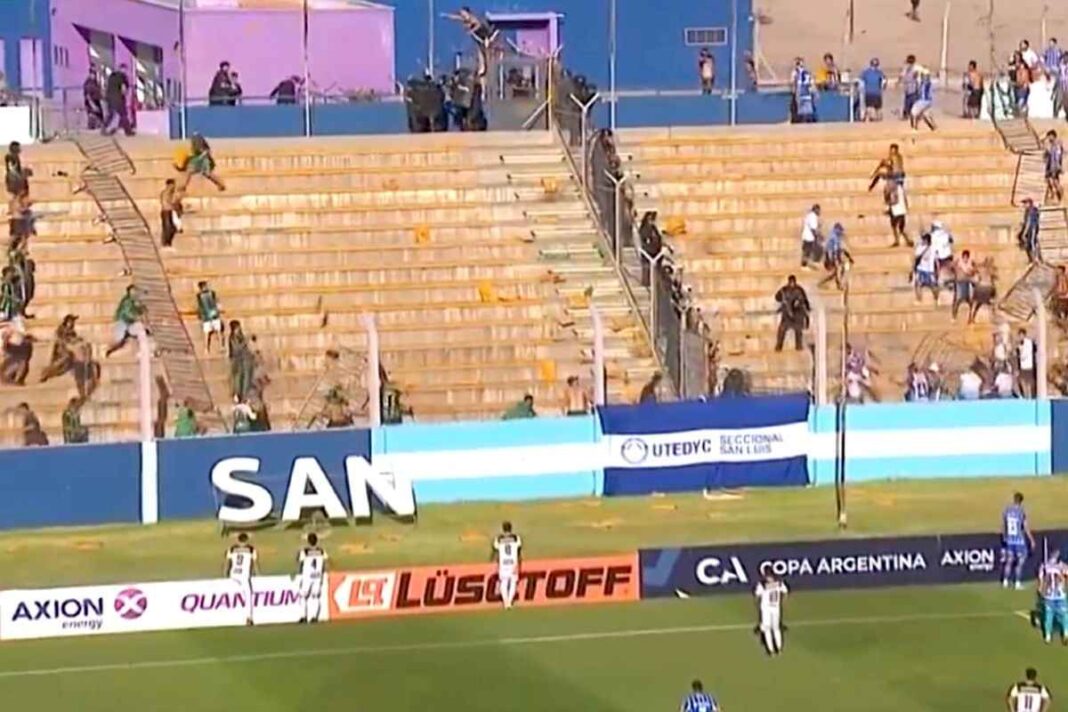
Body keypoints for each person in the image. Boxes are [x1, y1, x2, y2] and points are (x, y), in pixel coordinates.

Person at [1002, 492, 1036, 590]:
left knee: (1008, 561)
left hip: (1009, 540)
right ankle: (1017, 583)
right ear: (1021, 501)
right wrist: (1031, 539)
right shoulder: (1021, 512)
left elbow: (1004, 525)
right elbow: (1025, 527)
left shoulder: (1007, 510)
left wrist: (1005, 536)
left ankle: (1005, 581)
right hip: (1019, 541)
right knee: (1020, 562)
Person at [225, 532, 257, 626]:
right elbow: (254, 563)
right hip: (244, 575)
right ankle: (249, 617)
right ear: (246, 540)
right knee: (248, 596)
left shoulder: (232, 549)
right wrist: (257, 573)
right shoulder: (251, 549)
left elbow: (228, 562)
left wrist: (225, 572)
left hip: (234, 574)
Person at [106, 285, 146, 357]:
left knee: (139, 335)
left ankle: (140, 351)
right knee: (119, 341)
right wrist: (138, 317)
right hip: (123, 322)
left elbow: (139, 310)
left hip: (128, 323)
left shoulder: (134, 301)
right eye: (133, 292)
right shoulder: (127, 301)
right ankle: (108, 351)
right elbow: (129, 313)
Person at [297, 532, 328, 624]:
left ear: (308, 541)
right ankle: (314, 616)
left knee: (303, 596)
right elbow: (326, 560)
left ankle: (304, 616)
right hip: (317, 576)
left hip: (307, 576)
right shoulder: (321, 551)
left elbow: (299, 560)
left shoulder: (305, 551)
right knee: (316, 597)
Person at [755, 572, 788, 656]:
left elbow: (757, 595)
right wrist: (781, 601)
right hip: (776, 608)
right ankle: (779, 648)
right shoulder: (779, 583)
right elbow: (785, 592)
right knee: (776, 629)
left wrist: (758, 604)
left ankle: (771, 650)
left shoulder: (762, 585)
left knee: (767, 629)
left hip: (767, 609)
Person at [775, 275, 810, 351]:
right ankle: (778, 347)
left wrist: (806, 314)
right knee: (781, 330)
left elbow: (805, 301)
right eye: (790, 282)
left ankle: (799, 347)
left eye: (793, 282)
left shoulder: (799, 290)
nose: (792, 284)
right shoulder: (784, 290)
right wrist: (783, 299)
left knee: (798, 331)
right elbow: (777, 297)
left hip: (797, 315)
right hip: (787, 315)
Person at [492, 521, 521, 610]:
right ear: (511, 528)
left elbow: (495, 549)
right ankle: (510, 601)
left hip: (503, 563)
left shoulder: (499, 539)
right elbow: (519, 550)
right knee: (513, 583)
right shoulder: (516, 538)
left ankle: (505, 602)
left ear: (503, 528)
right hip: (513, 562)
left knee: (503, 583)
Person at [1039, 560, 1068, 645]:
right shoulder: (1061, 566)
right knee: (1060, 615)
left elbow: (1041, 579)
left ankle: (1050, 635)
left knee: (1051, 616)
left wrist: (1040, 589)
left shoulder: (1045, 565)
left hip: (1053, 595)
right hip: (1055, 595)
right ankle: (1063, 633)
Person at [819, 222, 853, 290]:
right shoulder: (834, 237)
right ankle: (838, 284)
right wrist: (837, 259)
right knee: (838, 270)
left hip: (831, 255)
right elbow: (834, 250)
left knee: (836, 271)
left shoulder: (833, 235)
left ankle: (837, 283)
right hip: (831, 256)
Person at [103, 64, 134, 136]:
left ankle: (103, 128)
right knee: (123, 114)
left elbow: (106, 87)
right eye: (126, 70)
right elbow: (123, 88)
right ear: (124, 69)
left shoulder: (111, 76)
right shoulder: (123, 76)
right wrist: (124, 95)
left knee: (110, 114)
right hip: (118, 98)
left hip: (109, 98)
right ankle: (128, 131)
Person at [228, 319, 253, 401]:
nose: (239, 329)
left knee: (245, 378)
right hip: (236, 361)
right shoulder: (232, 338)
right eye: (238, 328)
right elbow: (236, 349)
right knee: (237, 379)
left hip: (243, 360)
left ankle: (244, 395)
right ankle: (237, 395)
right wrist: (246, 341)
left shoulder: (240, 336)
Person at [196, 281, 223, 353]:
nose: (206, 287)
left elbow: (215, 302)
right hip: (207, 317)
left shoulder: (212, 293)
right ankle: (206, 348)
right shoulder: (199, 296)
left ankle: (221, 346)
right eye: (205, 286)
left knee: (218, 331)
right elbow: (200, 306)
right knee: (207, 333)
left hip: (214, 315)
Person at [638, 211, 663, 286]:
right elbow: (646, 240)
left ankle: (654, 283)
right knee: (647, 268)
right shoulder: (644, 229)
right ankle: (646, 283)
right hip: (648, 252)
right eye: (650, 219)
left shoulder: (654, 228)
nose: (652, 221)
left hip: (656, 253)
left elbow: (658, 238)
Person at [951, 250, 976, 320]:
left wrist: (971, 271)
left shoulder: (970, 263)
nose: (965, 259)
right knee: (958, 300)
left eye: (966, 257)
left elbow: (973, 271)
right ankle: (954, 317)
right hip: (959, 283)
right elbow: (952, 267)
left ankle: (971, 317)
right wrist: (956, 270)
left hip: (967, 283)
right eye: (964, 257)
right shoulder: (959, 262)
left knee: (970, 301)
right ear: (962, 257)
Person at [910, 67, 937, 131]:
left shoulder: (925, 82)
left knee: (913, 113)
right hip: (927, 101)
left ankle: (914, 128)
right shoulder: (926, 82)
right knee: (925, 115)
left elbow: (918, 79)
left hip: (923, 100)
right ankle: (933, 127)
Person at [159, 179, 183, 247]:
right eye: (172, 185)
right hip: (166, 211)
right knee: (167, 227)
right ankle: (165, 243)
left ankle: (167, 242)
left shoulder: (170, 193)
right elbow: (167, 203)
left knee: (171, 228)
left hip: (169, 211)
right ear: (169, 185)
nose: (174, 187)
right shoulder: (165, 193)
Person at [887, 180, 911, 246]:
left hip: (896, 210)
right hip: (902, 210)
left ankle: (897, 241)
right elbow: (905, 200)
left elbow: (894, 200)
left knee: (894, 226)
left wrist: (888, 204)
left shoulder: (894, 190)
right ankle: (908, 240)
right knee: (901, 227)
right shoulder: (901, 189)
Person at [1045, 130, 1063, 204]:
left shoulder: (1057, 144)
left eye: (1050, 136)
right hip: (1050, 166)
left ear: (1053, 136)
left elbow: (1058, 155)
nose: (1049, 138)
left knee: (1056, 182)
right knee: (1048, 180)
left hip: (1054, 166)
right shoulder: (1052, 145)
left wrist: (1058, 166)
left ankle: (1061, 199)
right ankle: (1054, 195)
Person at [1016, 329, 1036, 398]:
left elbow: (1024, 355)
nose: (1020, 337)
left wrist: (1020, 351)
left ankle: (1029, 396)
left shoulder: (1028, 343)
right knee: (1022, 381)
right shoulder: (1021, 343)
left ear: (1024, 335)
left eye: (1021, 335)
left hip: (1028, 366)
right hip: (1023, 366)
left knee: (1028, 382)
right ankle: (1026, 395)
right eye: (1019, 335)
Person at [900, 55, 919, 119]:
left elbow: (902, 76)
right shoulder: (913, 67)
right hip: (911, 87)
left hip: (909, 87)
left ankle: (907, 114)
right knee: (911, 101)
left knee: (908, 101)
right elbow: (915, 76)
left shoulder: (906, 68)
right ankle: (909, 114)